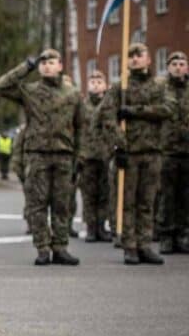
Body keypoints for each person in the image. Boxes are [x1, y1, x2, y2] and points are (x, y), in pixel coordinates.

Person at [0, 49, 82, 266]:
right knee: (37, 204)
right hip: (37, 155)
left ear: (60, 66)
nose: (47, 65)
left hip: (63, 155)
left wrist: (79, 158)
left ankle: (60, 247)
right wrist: (26, 67)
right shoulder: (30, 91)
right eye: (43, 63)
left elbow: (81, 127)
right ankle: (42, 248)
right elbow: (0, 87)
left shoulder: (72, 94)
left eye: (51, 62)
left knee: (62, 205)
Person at [100, 43, 173, 265]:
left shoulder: (158, 86)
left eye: (139, 55)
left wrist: (135, 111)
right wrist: (119, 146)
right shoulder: (120, 87)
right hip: (129, 152)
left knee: (147, 201)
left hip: (152, 151)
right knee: (128, 202)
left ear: (148, 60)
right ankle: (129, 246)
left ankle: (145, 244)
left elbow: (167, 110)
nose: (134, 59)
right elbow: (108, 118)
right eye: (130, 56)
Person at [158, 51, 188, 254]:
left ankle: (183, 235)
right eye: (174, 63)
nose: (178, 67)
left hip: (187, 150)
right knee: (167, 196)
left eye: (182, 63)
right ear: (168, 67)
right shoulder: (160, 88)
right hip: (166, 149)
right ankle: (167, 235)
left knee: (186, 197)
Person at [78, 70, 112, 242]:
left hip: (105, 155)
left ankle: (101, 226)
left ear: (105, 85)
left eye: (99, 80)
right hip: (87, 156)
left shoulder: (110, 105)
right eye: (92, 80)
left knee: (104, 194)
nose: (96, 83)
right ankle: (91, 228)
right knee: (89, 195)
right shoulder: (82, 106)